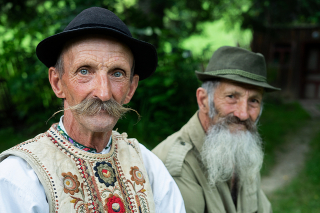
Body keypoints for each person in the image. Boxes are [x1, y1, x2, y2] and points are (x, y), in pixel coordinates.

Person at [0, 7, 185, 213]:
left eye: (117, 73)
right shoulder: (21, 176)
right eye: (85, 71)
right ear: (57, 82)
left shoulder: (148, 166)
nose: (103, 93)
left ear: (131, 88)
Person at [153, 46, 280, 213]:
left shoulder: (242, 149)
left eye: (254, 101)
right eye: (231, 97)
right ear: (203, 100)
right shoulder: (176, 167)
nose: (243, 114)